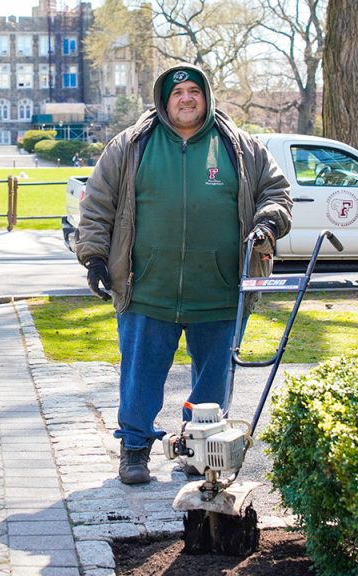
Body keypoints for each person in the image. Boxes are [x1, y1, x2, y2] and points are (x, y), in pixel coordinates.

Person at [76, 64, 293, 485]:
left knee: (212, 383)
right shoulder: (131, 145)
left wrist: (267, 220)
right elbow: (98, 204)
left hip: (220, 290)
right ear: (164, 99)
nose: (186, 98)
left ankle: (201, 450)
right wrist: (95, 257)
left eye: (194, 91)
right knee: (140, 376)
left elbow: (276, 192)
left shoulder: (240, 146)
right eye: (178, 93)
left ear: (207, 97)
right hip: (147, 289)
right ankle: (135, 449)